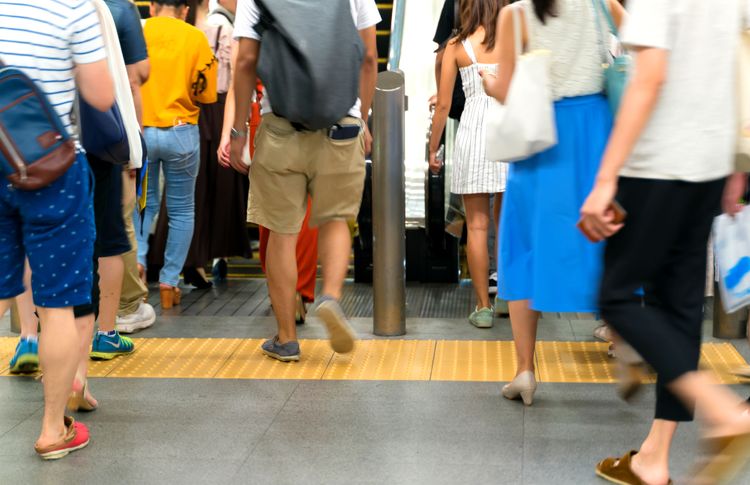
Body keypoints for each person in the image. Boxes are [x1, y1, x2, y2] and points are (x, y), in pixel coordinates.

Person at [580, 1, 750, 483]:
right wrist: (739, 162)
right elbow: (741, 62)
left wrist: (607, 177)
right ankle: (654, 458)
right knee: (677, 311)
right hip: (709, 166)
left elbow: (649, 76)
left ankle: (725, 411)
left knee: (614, 298)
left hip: (657, 165)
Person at [482, 0, 625, 405]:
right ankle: (623, 335)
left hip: (541, 137)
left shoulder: (518, 14)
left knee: (526, 248)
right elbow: (647, 46)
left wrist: (489, 84)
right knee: (604, 240)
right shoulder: (602, 4)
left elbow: (508, 90)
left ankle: (525, 370)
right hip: (596, 136)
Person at [230, 0, 379, 361]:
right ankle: (329, 296)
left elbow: (246, 60)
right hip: (341, 124)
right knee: (334, 218)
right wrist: (363, 117)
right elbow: (370, 57)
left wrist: (238, 131)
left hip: (281, 125)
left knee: (282, 231)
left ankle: (286, 337)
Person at [0, 0, 114, 458]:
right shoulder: (74, 8)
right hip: (49, 168)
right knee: (60, 301)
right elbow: (102, 95)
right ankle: (52, 429)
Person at [150, 0, 251, 290]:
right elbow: (232, 78)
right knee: (207, 193)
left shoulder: (178, 31)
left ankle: (167, 262)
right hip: (216, 108)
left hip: (177, 110)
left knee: (182, 194)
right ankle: (195, 262)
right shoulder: (222, 28)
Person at [429, 0, 509, 329]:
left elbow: (444, 103)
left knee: (476, 225)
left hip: (474, 131)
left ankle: (483, 306)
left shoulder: (455, 46)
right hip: (510, 128)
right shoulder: (515, 39)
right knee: (506, 222)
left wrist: (433, 148)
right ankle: (507, 294)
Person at [135, 0, 217, 309]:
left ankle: (139, 268)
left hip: (143, 130)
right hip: (181, 131)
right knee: (182, 210)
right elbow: (207, 92)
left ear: (153, 6)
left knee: (144, 204)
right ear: (185, 9)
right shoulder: (195, 37)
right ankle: (169, 283)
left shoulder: (140, 30)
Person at [109, 0, 157, 335]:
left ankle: (32, 324)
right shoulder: (120, 10)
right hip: (107, 133)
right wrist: (134, 143)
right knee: (118, 218)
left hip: (41, 135)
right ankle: (124, 307)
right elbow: (136, 78)